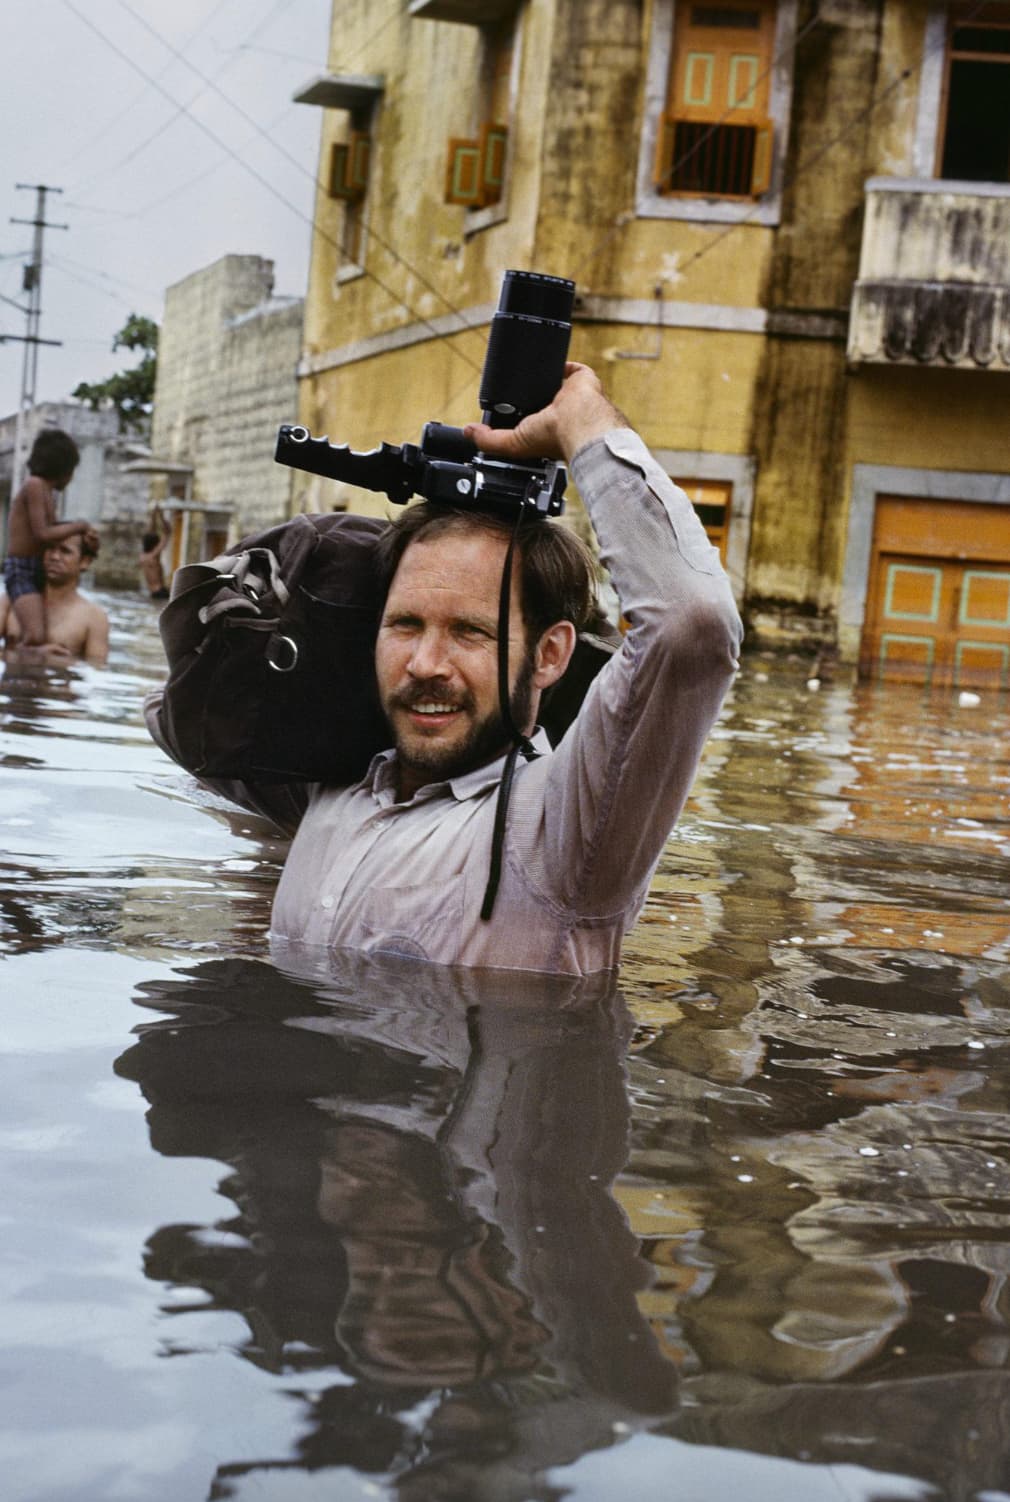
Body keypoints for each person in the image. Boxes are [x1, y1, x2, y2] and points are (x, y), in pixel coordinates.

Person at [146, 362, 743, 974]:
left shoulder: (567, 832)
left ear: (551, 655)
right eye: (405, 624)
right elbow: (176, 714)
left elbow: (691, 625)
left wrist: (581, 420)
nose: (426, 664)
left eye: (469, 632)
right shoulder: (324, 787)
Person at [2, 428, 99, 647]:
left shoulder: (47, 492)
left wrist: (86, 537)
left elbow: (55, 531)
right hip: (21, 570)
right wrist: (81, 525)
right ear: (63, 468)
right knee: (35, 636)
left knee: (42, 632)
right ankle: (20, 662)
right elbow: (43, 533)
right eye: (72, 470)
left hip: (36, 567)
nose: (72, 478)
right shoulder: (35, 485)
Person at [0, 530, 110, 663]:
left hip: (57, 682)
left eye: (65, 551)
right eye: (50, 548)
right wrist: (31, 653)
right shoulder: (11, 601)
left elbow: (96, 668)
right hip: (13, 682)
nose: (55, 557)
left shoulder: (94, 617)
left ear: (85, 562)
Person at [139, 506, 171, 600]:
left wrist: (153, 515)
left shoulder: (142, 557)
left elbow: (150, 533)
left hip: (153, 592)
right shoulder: (154, 556)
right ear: (154, 545)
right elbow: (167, 533)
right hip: (160, 592)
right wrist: (161, 516)